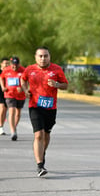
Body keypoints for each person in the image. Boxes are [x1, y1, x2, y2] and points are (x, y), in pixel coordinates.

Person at [21, 46, 68, 177]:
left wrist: (57, 85)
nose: (43, 58)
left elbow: (65, 84)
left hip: (50, 108)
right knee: (38, 135)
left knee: (46, 134)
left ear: (49, 57)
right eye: (40, 56)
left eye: (45, 56)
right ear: (35, 57)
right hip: (35, 106)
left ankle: (42, 153)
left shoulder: (57, 69)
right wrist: (25, 90)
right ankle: (40, 165)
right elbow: (23, 79)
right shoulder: (29, 69)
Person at [0, 57, 26, 141]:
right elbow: (1, 78)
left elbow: (27, 81)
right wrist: (3, 87)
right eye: (13, 65)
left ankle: (14, 127)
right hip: (9, 94)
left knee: (18, 113)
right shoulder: (6, 70)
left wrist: (22, 88)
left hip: (20, 95)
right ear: (11, 64)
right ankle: (13, 131)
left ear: (19, 64)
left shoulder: (23, 70)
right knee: (12, 110)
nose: (14, 67)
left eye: (16, 65)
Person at [0, 57, 10, 135]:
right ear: (1, 64)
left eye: (8, 63)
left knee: (4, 110)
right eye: (5, 63)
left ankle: (1, 127)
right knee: (2, 108)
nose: (7, 65)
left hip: (6, 93)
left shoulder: (9, 72)